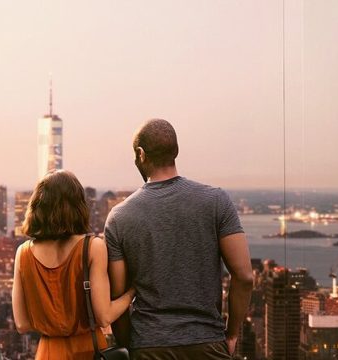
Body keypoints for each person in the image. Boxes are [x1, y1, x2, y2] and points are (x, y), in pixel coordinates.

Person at [105, 119, 254, 359]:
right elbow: (245, 277)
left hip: (149, 346)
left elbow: (118, 295)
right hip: (208, 343)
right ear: (176, 151)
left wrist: (130, 345)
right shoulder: (216, 201)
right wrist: (232, 333)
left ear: (140, 154)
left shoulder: (119, 217)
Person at [12, 170, 135, 359]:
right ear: (78, 206)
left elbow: (21, 324)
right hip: (88, 350)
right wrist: (132, 292)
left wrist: (53, 323)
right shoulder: (92, 247)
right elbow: (104, 316)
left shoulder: (23, 253)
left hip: (47, 352)